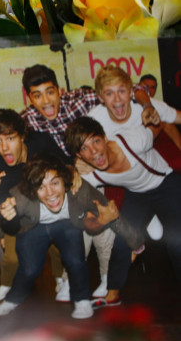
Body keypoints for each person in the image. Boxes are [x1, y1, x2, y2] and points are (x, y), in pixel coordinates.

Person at [0, 153, 115, 320]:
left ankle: (82, 299)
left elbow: (106, 207)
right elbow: (1, 216)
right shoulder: (20, 195)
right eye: (41, 187)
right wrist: (1, 235)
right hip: (34, 227)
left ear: (64, 180)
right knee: (29, 268)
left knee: (75, 260)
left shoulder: (78, 187)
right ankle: (12, 301)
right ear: (33, 189)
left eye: (55, 183)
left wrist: (134, 241)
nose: (50, 193)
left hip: (66, 223)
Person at [66, 116, 181, 286]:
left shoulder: (132, 140)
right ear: (79, 155)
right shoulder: (87, 175)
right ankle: (112, 292)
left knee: (177, 241)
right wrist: (100, 220)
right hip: (136, 193)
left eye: (96, 141)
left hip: (164, 183)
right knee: (121, 244)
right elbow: (84, 219)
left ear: (105, 138)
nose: (94, 152)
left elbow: (160, 122)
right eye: (84, 148)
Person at [0, 109, 67, 303]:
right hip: (23, 214)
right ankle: (8, 284)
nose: (4, 147)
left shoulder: (41, 143)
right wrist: (5, 228)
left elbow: (66, 165)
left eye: (10, 138)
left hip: (52, 205)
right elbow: (3, 203)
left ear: (22, 136)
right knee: (12, 256)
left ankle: (61, 279)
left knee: (58, 244)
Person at [88, 64, 181, 166]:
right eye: (109, 94)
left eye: (122, 91)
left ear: (130, 92)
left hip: (154, 169)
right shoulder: (93, 121)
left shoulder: (147, 108)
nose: (117, 99)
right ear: (101, 98)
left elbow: (177, 117)